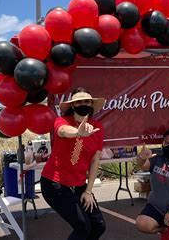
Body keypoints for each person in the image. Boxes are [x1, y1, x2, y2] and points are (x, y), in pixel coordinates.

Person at [40, 87, 106, 240]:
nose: (84, 104)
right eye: (79, 101)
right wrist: (77, 133)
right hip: (55, 184)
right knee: (83, 227)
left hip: (78, 185)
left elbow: (95, 160)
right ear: (72, 105)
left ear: (91, 105)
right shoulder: (62, 121)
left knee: (98, 226)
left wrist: (88, 191)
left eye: (87, 101)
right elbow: (63, 131)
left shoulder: (98, 127)